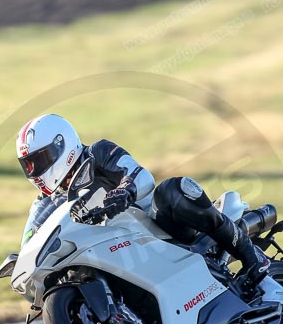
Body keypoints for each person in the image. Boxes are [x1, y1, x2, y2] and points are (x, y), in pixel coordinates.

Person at [16, 114, 268, 293]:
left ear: (63, 145)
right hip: (116, 257)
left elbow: (140, 176)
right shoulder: (44, 204)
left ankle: (251, 255)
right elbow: (33, 241)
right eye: (29, 165)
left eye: (40, 160)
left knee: (171, 190)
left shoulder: (98, 153)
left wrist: (124, 190)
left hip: (162, 230)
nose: (36, 170)